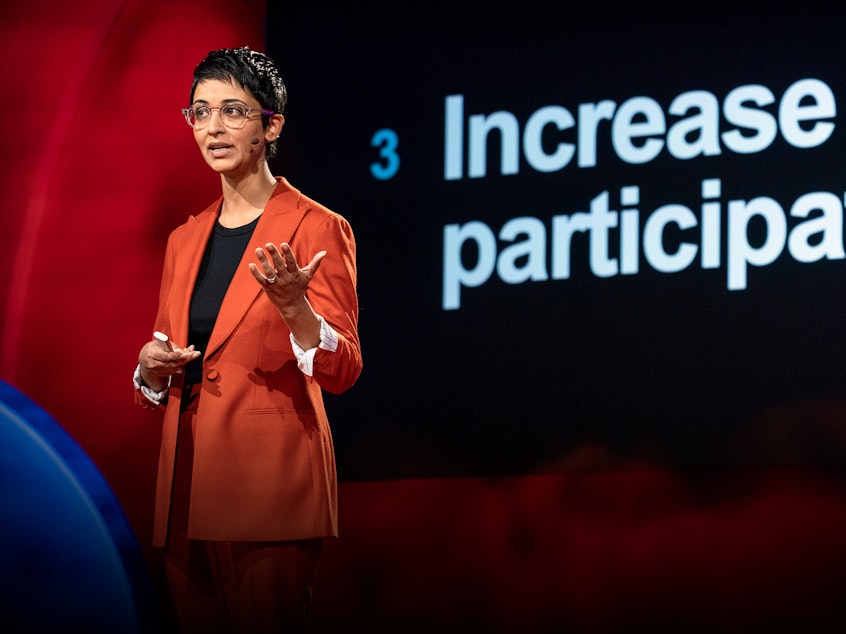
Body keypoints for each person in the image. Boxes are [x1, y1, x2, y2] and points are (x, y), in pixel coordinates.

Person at [132, 46, 362, 633]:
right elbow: (168, 352)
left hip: (269, 486)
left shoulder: (317, 226)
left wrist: (295, 307)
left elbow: (343, 368)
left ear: (271, 125)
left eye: (233, 111)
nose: (213, 127)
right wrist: (151, 367)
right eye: (200, 111)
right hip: (186, 488)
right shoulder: (184, 239)